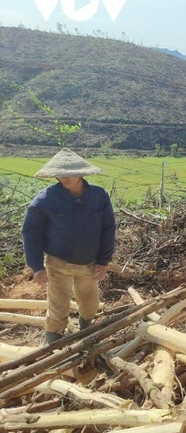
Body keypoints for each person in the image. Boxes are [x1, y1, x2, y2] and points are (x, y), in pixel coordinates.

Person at [21, 148, 116, 345]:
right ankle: (53, 343)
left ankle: (85, 329)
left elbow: (108, 229)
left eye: (69, 173)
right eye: (60, 173)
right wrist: (36, 267)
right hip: (57, 262)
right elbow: (31, 233)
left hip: (88, 262)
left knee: (89, 302)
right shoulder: (45, 199)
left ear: (81, 172)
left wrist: (104, 260)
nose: (64, 178)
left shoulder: (99, 196)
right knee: (57, 305)